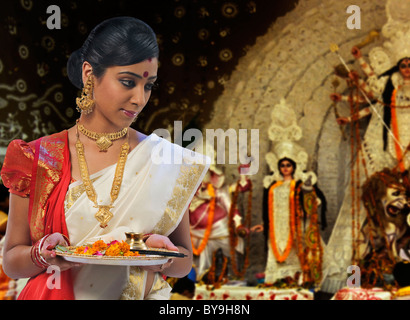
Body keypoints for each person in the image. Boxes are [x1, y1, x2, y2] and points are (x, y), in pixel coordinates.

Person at [0, 16, 210, 300]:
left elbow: (184, 263)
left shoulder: (164, 160)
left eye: (148, 86)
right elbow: (12, 261)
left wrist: (163, 253)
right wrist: (43, 253)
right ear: (89, 75)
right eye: (127, 82)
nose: (139, 99)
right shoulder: (38, 158)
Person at [331, 46, 410, 173]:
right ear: (398, 68)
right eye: (404, 66)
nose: (407, 69)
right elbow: (371, 101)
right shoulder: (390, 84)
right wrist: (359, 61)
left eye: (409, 65)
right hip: (393, 132)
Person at [254, 157, 326, 288]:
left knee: (298, 253)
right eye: (282, 165)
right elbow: (269, 209)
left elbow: (313, 200)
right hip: (276, 227)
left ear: (293, 167)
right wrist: (265, 225)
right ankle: (275, 282)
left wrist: (308, 209)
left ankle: (297, 281)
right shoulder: (273, 187)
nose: (285, 168)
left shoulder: (299, 184)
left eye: (288, 165)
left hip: (294, 226)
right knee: (275, 255)